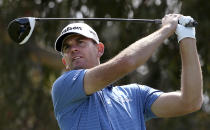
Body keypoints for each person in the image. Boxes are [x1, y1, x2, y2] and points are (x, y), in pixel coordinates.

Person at [51, 14, 203, 130]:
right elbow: (127, 63)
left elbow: (190, 102)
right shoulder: (63, 87)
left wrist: (186, 36)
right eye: (67, 47)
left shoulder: (134, 95)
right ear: (65, 62)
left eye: (80, 42)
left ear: (99, 49)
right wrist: (166, 29)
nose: (73, 49)